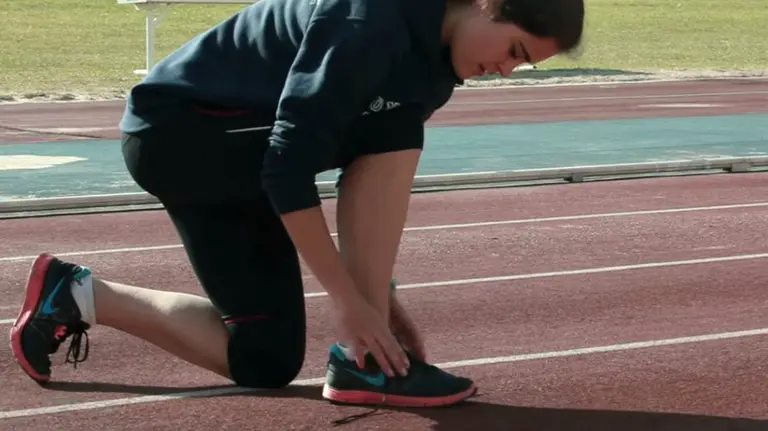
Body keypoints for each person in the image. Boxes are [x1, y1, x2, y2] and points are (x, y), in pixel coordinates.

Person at [10, 0, 584, 407]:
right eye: (513, 50)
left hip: (238, 150)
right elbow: (289, 166)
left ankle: (76, 293)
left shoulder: (435, 63)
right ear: (487, 4)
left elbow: (363, 170)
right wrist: (352, 305)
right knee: (394, 133)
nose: (506, 69)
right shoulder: (371, 19)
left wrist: (377, 299)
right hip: (185, 135)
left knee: (265, 361)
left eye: (523, 65)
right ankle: (365, 359)